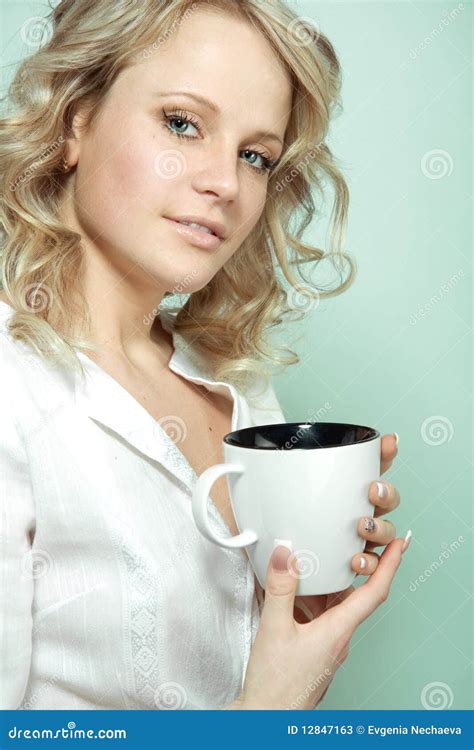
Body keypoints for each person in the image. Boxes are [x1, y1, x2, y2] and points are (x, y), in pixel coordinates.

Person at [0, 0, 411, 710]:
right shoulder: (14, 388)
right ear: (75, 122)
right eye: (182, 124)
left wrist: (301, 619)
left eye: (256, 155)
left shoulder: (236, 392)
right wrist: (262, 720)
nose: (225, 183)